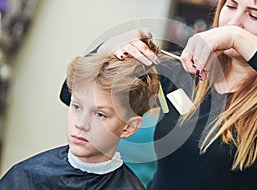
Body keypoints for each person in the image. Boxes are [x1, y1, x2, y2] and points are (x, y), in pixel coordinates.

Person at [81, 0, 257, 189]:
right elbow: (72, 96)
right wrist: (107, 50)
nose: (233, 22)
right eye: (230, 6)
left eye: (254, 16)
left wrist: (237, 37)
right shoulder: (181, 73)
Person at [0, 41, 161, 189]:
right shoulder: (24, 178)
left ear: (129, 127)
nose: (81, 124)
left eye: (100, 114)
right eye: (76, 106)